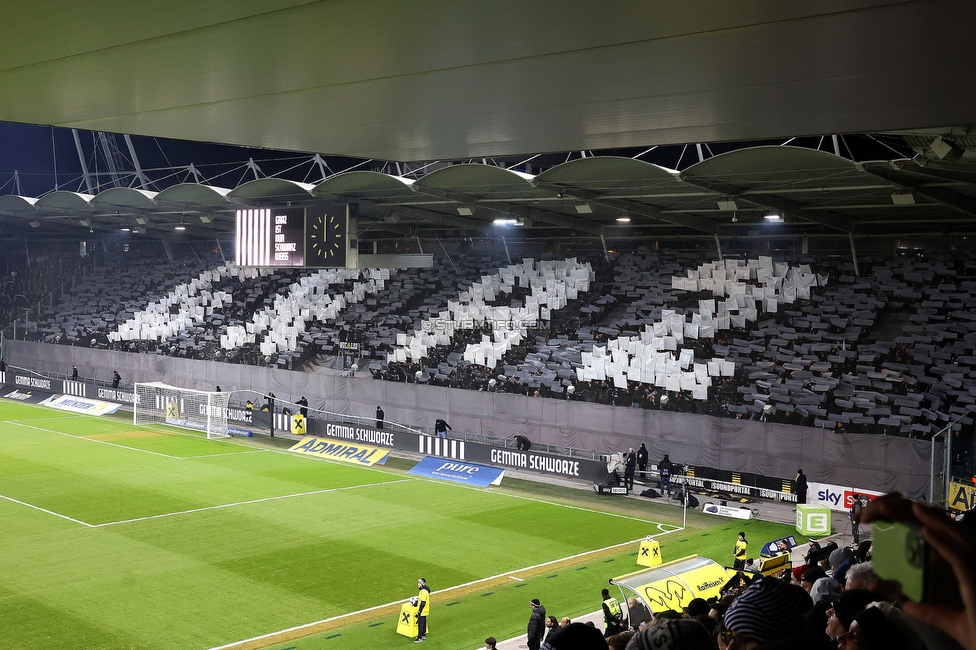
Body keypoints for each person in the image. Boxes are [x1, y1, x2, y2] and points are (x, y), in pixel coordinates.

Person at [415, 577, 430, 643]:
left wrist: (419, 611)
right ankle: (423, 634)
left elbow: (423, 603)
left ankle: (419, 637)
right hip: (425, 610)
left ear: (422, 584)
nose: (418, 584)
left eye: (419, 583)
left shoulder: (423, 591)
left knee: (420, 624)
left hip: (423, 610)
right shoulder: (424, 591)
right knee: (423, 622)